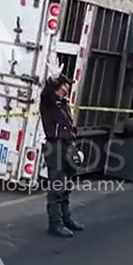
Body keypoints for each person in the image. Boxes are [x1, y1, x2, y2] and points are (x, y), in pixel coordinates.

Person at [39, 74, 84, 238]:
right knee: (57, 187)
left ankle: (66, 219)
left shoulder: (63, 104)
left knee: (66, 186)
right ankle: (55, 224)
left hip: (67, 146)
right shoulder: (48, 103)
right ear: (59, 86)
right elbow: (46, 93)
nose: (68, 88)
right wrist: (54, 81)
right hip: (54, 146)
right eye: (65, 85)